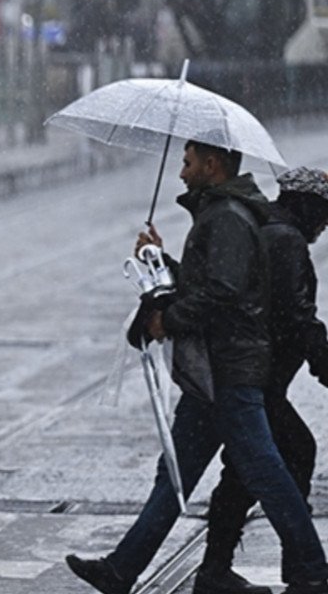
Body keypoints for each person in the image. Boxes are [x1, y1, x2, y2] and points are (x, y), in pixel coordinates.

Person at [65, 141, 328, 594]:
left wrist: (170, 317)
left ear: (212, 164)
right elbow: (214, 283)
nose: (182, 173)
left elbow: (225, 290)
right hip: (219, 369)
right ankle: (123, 569)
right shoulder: (229, 215)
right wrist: (160, 263)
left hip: (227, 367)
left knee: (263, 467)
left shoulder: (228, 216)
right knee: (188, 472)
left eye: (187, 164)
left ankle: (307, 568)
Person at [194, 166, 328, 594]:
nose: (325, 224)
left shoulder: (266, 228)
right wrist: (324, 362)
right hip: (257, 377)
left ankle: (216, 571)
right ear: (306, 205)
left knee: (243, 469)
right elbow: (296, 315)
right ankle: (304, 569)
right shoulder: (286, 240)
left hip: (249, 374)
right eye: (324, 213)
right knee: (292, 452)